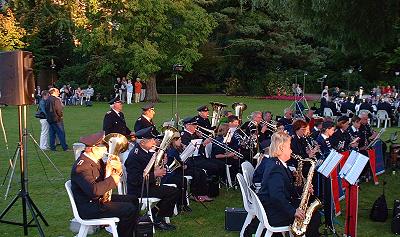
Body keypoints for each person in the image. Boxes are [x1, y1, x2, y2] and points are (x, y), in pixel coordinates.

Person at [71, 131, 138, 237]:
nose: (106, 149)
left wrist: (118, 169)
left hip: (99, 200)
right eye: (103, 146)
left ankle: (132, 232)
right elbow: (94, 191)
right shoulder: (82, 167)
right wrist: (113, 179)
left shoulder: (96, 160)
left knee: (133, 200)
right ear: (93, 149)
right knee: (129, 209)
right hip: (89, 206)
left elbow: (106, 176)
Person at [257, 132, 320, 237]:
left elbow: (286, 187)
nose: (291, 150)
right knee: (314, 217)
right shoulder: (276, 169)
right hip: (274, 212)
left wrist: (303, 189)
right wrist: (293, 211)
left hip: (275, 206)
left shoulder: (276, 163)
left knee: (312, 213)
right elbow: (276, 196)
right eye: (289, 147)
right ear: (281, 148)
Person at [125, 127, 179, 231]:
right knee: (172, 192)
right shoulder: (134, 156)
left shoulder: (144, 151)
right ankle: (159, 219)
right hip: (139, 190)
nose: (155, 141)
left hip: (147, 185)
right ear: (143, 142)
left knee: (171, 191)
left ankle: (155, 213)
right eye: (152, 140)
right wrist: (155, 174)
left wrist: (163, 161)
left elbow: (151, 165)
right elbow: (135, 180)